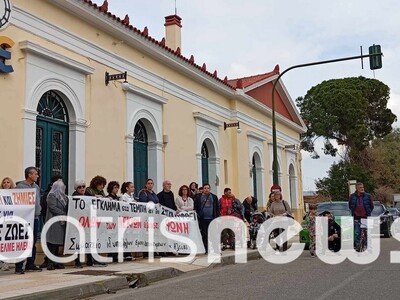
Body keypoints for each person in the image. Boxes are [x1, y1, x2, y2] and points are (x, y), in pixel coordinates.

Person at [14, 167, 42, 274]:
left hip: (34, 218)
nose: (37, 176)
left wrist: (39, 209)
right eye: (35, 174)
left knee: (33, 241)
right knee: (22, 241)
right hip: (23, 218)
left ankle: (30, 264)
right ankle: (19, 265)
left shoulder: (36, 187)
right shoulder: (20, 187)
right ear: (29, 175)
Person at [84, 176, 107, 267]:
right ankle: (91, 259)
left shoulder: (102, 193)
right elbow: (87, 200)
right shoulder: (89, 190)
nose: (102, 186)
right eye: (100, 184)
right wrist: (95, 197)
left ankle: (94, 258)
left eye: (103, 185)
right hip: (90, 218)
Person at [45, 179, 68, 270]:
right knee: (52, 243)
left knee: (59, 243)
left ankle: (57, 261)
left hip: (61, 222)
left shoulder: (64, 197)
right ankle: (50, 262)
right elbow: (52, 207)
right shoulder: (52, 195)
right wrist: (63, 213)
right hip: (54, 221)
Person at [194, 183, 220, 253]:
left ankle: (216, 250)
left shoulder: (214, 197)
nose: (206, 189)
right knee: (204, 235)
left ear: (210, 189)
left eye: (207, 188)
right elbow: (195, 207)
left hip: (212, 219)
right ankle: (206, 249)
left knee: (213, 235)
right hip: (202, 219)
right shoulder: (198, 197)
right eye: (205, 188)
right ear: (202, 189)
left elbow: (217, 208)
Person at [349, 182, 373, 250]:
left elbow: (371, 206)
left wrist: (367, 213)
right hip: (356, 217)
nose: (362, 189)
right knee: (357, 233)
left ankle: (368, 247)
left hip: (365, 217)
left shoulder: (367, 196)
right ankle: (357, 247)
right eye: (360, 188)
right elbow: (350, 206)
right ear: (356, 188)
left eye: (363, 187)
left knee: (367, 233)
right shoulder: (352, 196)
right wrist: (354, 213)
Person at [0, 177, 15, 271]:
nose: (6, 184)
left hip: (10, 223)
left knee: (7, 244)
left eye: (8, 182)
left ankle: (5, 263)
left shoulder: (15, 195)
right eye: (4, 182)